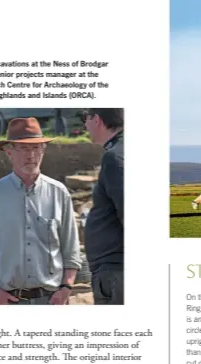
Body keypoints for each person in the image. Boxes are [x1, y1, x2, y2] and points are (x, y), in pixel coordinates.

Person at [0, 117, 81, 305]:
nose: (30, 155)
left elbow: (70, 248)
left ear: (43, 151)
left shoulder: (59, 192)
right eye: (23, 148)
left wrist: (66, 288)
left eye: (36, 148)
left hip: (51, 299)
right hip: (9, 300)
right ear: (8, 152)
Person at [82, 108, 124, 305]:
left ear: (96, 119)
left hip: (116, 270)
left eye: (86, 118)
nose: (85, 125)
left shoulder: (114, 158)